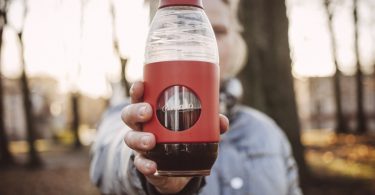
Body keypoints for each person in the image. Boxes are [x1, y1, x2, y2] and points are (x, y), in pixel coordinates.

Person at [90, 0, 302, 194]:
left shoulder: (267, 133)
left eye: (216, 31)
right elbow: (107, 159)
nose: (195, 43)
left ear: (236, 41)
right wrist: (142, 160)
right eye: (180, 29)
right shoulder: (126, 117)